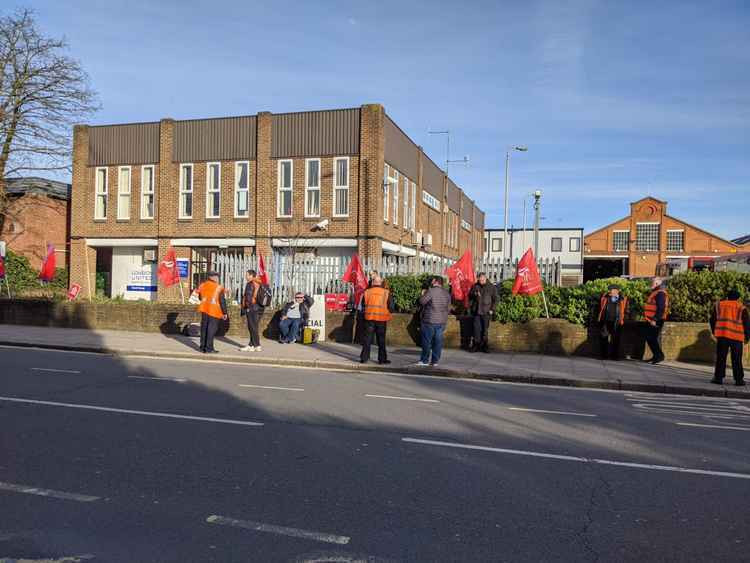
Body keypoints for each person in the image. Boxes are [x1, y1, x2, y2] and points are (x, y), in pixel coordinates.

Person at [709, 289, 749, 386]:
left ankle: (718, 378)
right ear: (738, 298)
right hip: (737, 337)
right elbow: (746, 323)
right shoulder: (741, 308)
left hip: (722, 335)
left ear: (728, 296)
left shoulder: (719, 305)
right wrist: (747, 337)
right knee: (736, 359)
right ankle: (739, 380)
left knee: (721, 358)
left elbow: (712, 319)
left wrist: (715, 331)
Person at [359, 275, 395, 364]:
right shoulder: (386, 292)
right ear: (380, 282)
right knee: (381, 340)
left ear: (373, 282)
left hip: (369, 319)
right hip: (381, 320)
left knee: (367, 339)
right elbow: (391, 307)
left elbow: (363, 305)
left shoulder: (367, 292)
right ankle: (382, 359)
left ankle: (364, 358)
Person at [417, 276, 451, 366]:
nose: (432, 282)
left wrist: (422, 294)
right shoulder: (446, 293)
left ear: (435, 282)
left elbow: (422, 301)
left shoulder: (431, 291)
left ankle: (424, 360)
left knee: (426, 342)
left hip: (429, 320)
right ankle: (435, 361)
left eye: (433, 281)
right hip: (441, 321)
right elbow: (448, 308)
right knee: (438, 342)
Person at [195, 271, 227, 354]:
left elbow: (200, 297)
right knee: (211, 330)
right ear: (213, 277)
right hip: (214, 311)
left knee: (204, 329)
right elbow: (222, 301)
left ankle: (202, 347)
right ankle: (209, 348)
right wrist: (224, 313)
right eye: (217, 277)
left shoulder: (202, 285)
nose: (218, 278)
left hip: (204, 309)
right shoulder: (219, 287)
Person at [469, 272, 497, 353]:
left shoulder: (491, 287)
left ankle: (485, 346)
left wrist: (492, 309)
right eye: (479, 279)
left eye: (482, 279)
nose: (481, 280)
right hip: (477, 311)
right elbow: (470, 295)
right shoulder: (475, 286)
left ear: (485, 278)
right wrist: (474, 294)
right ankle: (476, 345)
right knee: (476, 329)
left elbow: (496, 299)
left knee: (485, 330)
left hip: (486, 311)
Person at [598, 284, 628, 360]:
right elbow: (601, 307)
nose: (610, 292)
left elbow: (626, 310)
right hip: (606, 320)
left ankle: (614, 356)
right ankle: (604, 356)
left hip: (617, 321)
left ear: (617, 291)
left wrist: (623, 319)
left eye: (612, 290)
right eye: (610, 290)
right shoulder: (605, 297)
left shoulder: (623, 298)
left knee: (616, 339)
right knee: (603, 338)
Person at [644, 277, 669, 364]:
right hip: (653, 319)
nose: (651, 283)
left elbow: (661, 308)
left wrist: (654, 319)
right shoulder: (656, 292)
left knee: (651, 338)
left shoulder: (660, 293)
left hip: (656, 319)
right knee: (651, 338)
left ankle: (659, 356)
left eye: (653, 282)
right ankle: (656, 356)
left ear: (657, 283)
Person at [240, 270, 264, 352]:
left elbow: (248, 297)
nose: (245, 276)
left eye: (247, 275)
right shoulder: (259, 283)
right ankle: (251, 345)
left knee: (252, 327)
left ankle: (257, 345)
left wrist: (247, 307)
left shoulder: (250, 284)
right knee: (254, 327)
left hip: (252, 308)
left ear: (251, 276)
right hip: (260, 308)